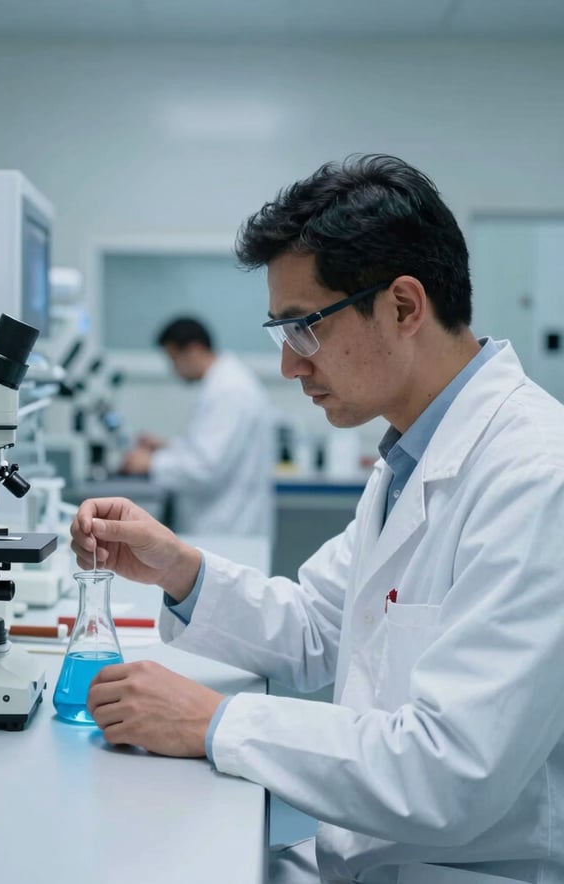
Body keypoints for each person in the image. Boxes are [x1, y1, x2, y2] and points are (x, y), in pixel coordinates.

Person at [70, 155, 564, 884]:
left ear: (403, 307)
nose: (290, 367)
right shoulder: (411, 455)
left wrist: (213, 722)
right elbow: (314, 628)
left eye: (304, 327)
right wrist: (179, 569)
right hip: (368, 857)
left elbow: (451, 771)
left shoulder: (536, 474)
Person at [119, 316, 275, 538]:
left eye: (174, 360)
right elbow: (210, 449)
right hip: (223, 523)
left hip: (227, 528)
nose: (174, 370)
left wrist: (150, 463)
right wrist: (167, 447)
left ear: (192, 350)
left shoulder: (229, 390)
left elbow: (205, 467)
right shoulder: (222, 383)